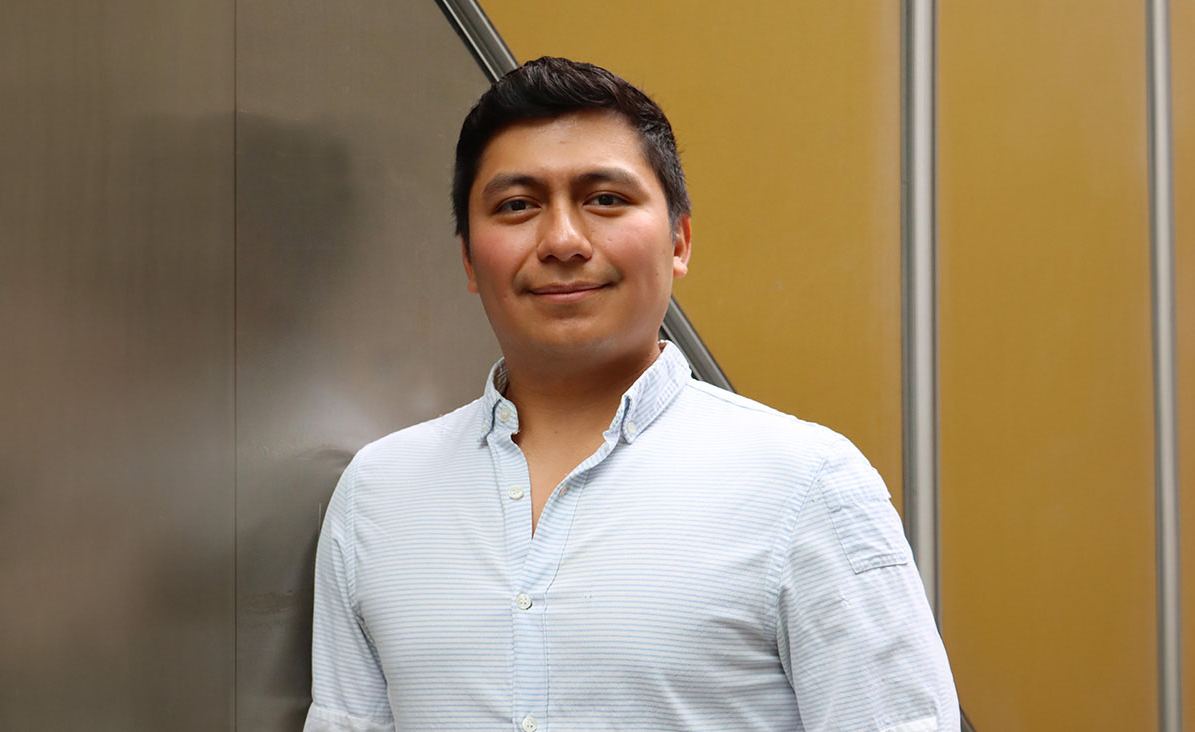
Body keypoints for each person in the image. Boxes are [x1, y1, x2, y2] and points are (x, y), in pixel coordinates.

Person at [304, 56, 958, 732]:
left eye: (605, 199)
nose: (561, 240)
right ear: (470, 259)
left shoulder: (805, 487)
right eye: (517, 205)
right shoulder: (378, 495)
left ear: (679, 240)